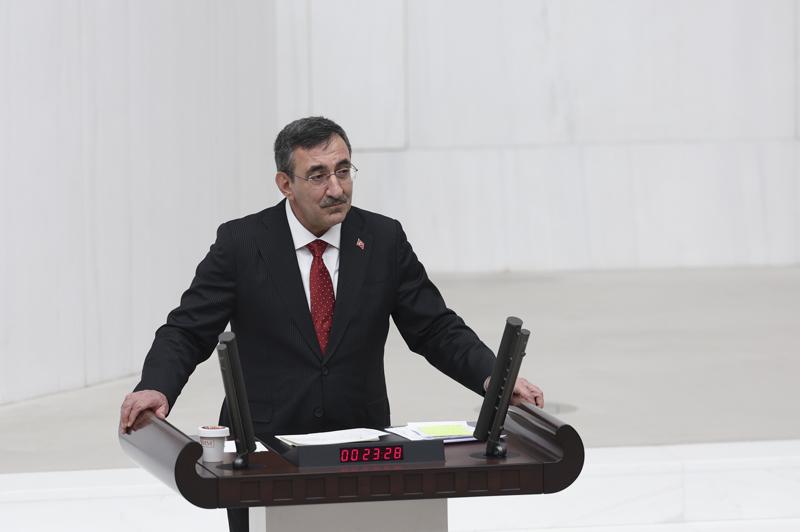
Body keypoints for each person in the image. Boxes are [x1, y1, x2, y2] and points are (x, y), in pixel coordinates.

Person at [119, 116, 543, 531]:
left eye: (343, 170)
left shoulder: (383, 239)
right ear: (285, 184)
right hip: (265, 450)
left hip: (361, 447)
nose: (337, 188)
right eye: (318, 175)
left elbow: (434, 327)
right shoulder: (242, 243)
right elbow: (188, 329)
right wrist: (156, 385)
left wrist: (493, 376)